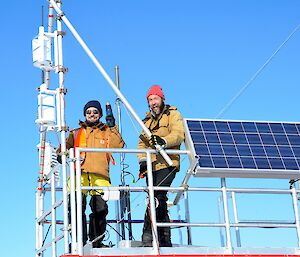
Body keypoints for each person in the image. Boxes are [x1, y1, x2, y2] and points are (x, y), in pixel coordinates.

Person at [58, 100, 124, 248]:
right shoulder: (75, 132)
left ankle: (96, 241)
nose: (91, 114)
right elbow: (64, 146)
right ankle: (78, 242)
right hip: (79, 175)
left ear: (100, 114)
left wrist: (113, 126)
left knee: (100, 209)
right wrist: (59, 154)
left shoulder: (107, 131)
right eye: (88, 112)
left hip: (100, 176)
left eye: (95, 112)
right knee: (75, 209)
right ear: (85, 114)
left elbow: (118, 145)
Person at [137, 85, 185, 247]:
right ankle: (163, 238)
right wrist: (143, 161)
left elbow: (179, 134)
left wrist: (163, 141)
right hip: (152, 165)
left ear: (162, 99)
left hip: (168, 162)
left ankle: (148, 235)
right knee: (156, 197)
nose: (153, 103)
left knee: (157, 196)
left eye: (155, 98)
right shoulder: (146, 121)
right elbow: (142, 144)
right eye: (150, 100)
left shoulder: (173, 114)